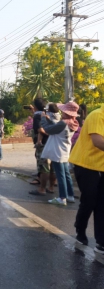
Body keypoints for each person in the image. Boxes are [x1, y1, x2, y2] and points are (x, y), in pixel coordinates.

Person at [69, 103, 104, 253]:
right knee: (89, 200)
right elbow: (98, 141)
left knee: (102, 204)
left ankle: (101, 241)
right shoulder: (98, 115)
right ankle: (80, 228)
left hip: (101, 166)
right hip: (86, 164)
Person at [40, 102, 79, 206]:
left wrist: (43, 119)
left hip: (57, 151)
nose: (61, 112)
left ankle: (62, 198)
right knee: (66, 174)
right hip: (65, 150)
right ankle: (70, 195)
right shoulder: (73, 122)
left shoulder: (63, 123)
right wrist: (49, 120)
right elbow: (57, 127)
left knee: (60, 175)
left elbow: (49, 130)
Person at [28, 98, 57, 195]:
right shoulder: (50, 114)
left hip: (43, 144)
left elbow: (40, 129)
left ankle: (42, 189)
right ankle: (51, 187)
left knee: (44, 167)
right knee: (53, 166)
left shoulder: (37, 116)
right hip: (53, 143)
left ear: (35, 107)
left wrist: (48, 134)